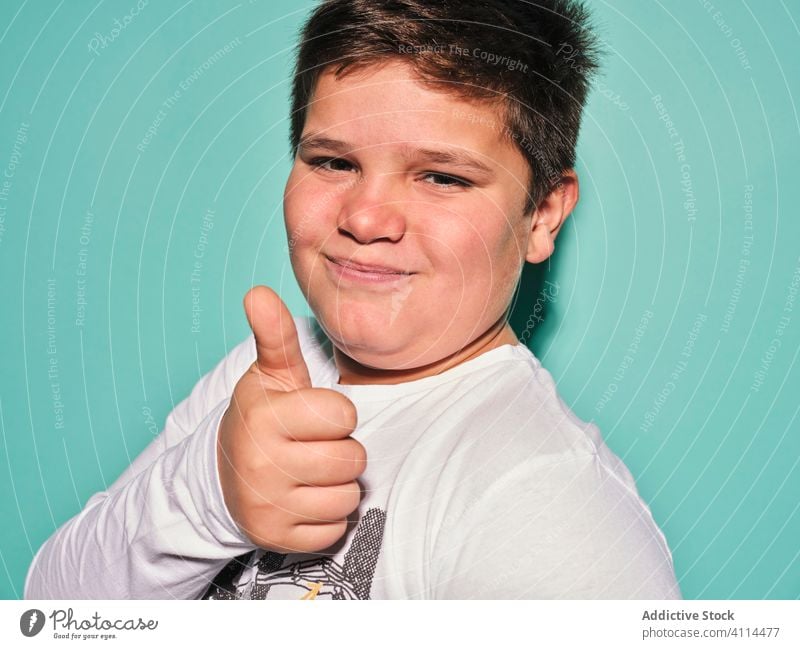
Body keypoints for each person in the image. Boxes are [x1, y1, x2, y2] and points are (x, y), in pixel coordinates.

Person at [25, 0, 681, 599]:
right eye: (333, 162)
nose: (366, 218)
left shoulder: (545, 502)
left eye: (442, 177)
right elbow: (51, 612)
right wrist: (209, 496)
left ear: (540, 215)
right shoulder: (260, 380)